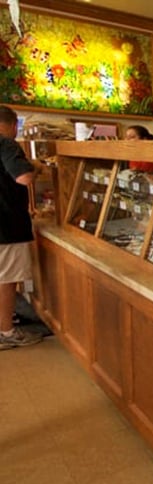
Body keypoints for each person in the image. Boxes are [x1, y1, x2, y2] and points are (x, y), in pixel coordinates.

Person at [0, 105, 43, 350]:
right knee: (6, 281)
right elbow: (23, 177)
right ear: (13, 125)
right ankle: (6, 332)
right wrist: (35, 167)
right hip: (6, 226)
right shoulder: (6, 144)